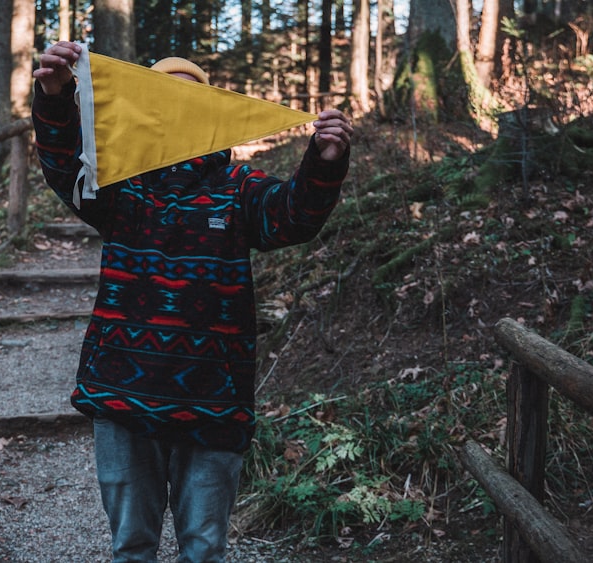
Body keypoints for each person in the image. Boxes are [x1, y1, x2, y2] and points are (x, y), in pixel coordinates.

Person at [32, 41, 353, 563]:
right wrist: (55, 93)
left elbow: (292, 216)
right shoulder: (117, 182)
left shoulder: (239, 187)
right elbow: (64, 163)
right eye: (165, 98)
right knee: (132, 548)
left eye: (192, 100)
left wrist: (324, 160)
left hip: (214, 404)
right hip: (123, 398)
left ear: (211, 114)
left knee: (204, 550)